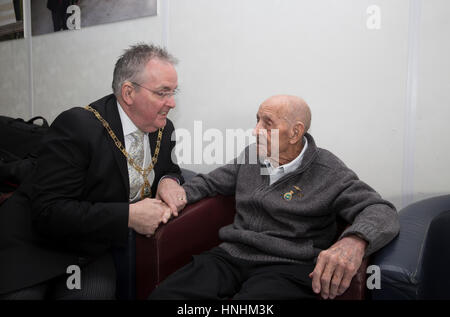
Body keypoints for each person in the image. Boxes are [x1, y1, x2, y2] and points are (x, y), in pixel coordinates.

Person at [151, 94, 400, 300]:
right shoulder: (251, 156)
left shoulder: (328, 171)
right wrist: (173, 188)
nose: (255, 131)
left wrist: (354, 241)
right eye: (257, 120)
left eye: (267, 123)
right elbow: (209, 183)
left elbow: (380, 210)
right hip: (231, 255)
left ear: (295, 133)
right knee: (166, 296)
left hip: (288, 267)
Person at [0, 43, 187, 299]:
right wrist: (127, 217)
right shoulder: (78, 125)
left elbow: (169, 167)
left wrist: (169, 180)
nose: (172, 102)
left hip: (91, 250)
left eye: (173, 92)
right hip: (37, 245)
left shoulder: (163, 129)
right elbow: (48, 212)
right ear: (129, 92)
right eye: (163, 92)